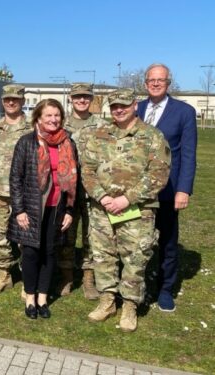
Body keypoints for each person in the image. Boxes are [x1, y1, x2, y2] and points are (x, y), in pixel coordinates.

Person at [83, 89, 170, 332]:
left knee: (135, 258)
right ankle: (107, 301)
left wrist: (127, 199)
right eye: (114, 106)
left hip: (137, 210)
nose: (118, 110)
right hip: (101, 209)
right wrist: (101, 196)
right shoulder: (99, 134)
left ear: (134, 105)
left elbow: (159, 174)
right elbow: (87, 170)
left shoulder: (151, 136)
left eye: (123, 105)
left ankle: (130, 306)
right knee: (103, 256)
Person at [8, 99, 78, 319]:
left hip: (56, 207)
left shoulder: (68, 143)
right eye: (48, 115)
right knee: (30, 252)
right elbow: (15, 179)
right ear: (38, 117)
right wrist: (19, 210)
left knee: (49, 252)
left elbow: (75, 180)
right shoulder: (26, 142)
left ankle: (43, 298)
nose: (53, 119)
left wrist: (69, 210)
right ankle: (30, 297)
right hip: (31, 208)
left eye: (56, 115)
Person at [137, 63, 198, 313]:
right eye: (152, 80)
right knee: (137, 240)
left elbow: (188, 154)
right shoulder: (136, 108)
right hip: (137, 190)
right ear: (145, 83)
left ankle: (165, 289)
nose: (156, 83)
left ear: (168, 83)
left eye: (161, 80)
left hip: (167, 189)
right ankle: (136, 286)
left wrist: (183, 189)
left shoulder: (184, 112)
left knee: (168, 242)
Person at [58, 82, 108, 299]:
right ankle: (66, 276)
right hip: (67, 190)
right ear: (71, 98)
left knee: (92, 236)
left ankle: (89, 279)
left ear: (91, 99)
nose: (81, 100)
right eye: (77, 97)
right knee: (66, 234)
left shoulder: (102, 125)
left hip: (93, 190)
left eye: (85, 97)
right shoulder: (60, 123)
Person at [0, 84, 32, 295]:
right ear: (2, 101)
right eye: (7, 99)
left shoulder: (32, 128)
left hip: (26, 193)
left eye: (16, 99)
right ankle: (4, 275)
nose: (11, 102)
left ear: (22, 101)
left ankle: (28, 276)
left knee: (26, 237)